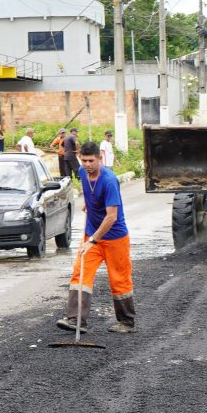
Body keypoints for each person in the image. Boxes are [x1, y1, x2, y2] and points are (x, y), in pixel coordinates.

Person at [57, 140, 135, 335]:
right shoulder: (83, 173)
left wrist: (92, 239)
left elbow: (111, 216)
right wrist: (89, 205)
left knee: (119, 279)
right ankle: (76, 320)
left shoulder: (109, 180)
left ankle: (126, 321)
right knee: (80, 272)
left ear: (99, 158)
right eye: (84, 160)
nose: (87, 165)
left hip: (114, 238)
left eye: (91, 160)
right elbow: (90, 193)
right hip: (92, 234)